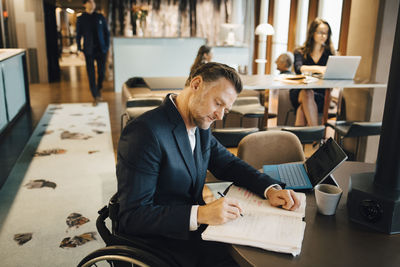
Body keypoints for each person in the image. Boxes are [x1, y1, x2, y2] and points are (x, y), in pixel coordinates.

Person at [116, 62, 300, 266]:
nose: (220, 116)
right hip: (162, 245)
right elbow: (132, 217)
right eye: (218, 103)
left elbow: (229, 164)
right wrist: (201, 213)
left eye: (226, 110)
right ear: (196, 84)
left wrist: (270, 189)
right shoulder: (145, 133)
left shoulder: (200, 123)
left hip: (194, 231)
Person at [290, 18, 336, 126]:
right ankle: (316, 135)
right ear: (312, 33)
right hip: (299, 91)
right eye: (320, 32)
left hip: (320, 95)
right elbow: (298, 68)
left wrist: (310, 69)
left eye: (326, 33)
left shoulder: (330, 54)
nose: (323, 36)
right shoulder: (300, 51)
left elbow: (332, 73)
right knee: (307, 92)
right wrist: (320, 69)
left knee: (302, 110)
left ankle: (301, 141)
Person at [76, 0, 110, 106]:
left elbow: (106, 33)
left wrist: (106, 47)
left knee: (101, 72)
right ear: (85, 4)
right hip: (88, 50)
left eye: (94, 2)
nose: (93, 4)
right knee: (90, 74)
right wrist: (79, 50)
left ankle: (99, 88)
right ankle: (95, 95)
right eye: (90, 2)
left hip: (101, 50)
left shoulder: (100, 17)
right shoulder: (81, 18)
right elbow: (78, 35)